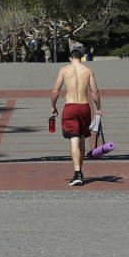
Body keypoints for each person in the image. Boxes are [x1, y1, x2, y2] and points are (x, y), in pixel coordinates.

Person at [51, 46, 102, 186]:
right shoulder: (88, 71)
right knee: (82, 139)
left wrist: (53, 106)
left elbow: (55, 91)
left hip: (70, 107)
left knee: (73, 140)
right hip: (85, 107)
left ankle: (77, 173)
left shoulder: (64, 70)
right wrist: (99, 109)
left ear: (69, 58)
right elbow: (95, 92)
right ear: (81, 58)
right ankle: (80, 171)